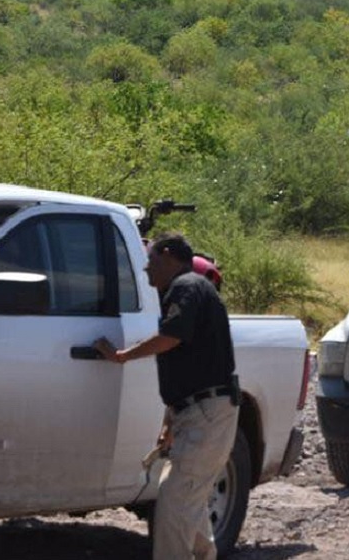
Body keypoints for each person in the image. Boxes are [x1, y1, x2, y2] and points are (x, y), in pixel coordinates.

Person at [95, 233, 239, 560]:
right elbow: (189, 364)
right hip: (203, 412)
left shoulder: (186, 286)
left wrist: (121, 356)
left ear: (170, 255)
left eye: (151, 261)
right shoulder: (192, 289)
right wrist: (170, 420)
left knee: (175, 499)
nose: (146, 271)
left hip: (207, 413)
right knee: (188, 498)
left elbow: (171, 337)